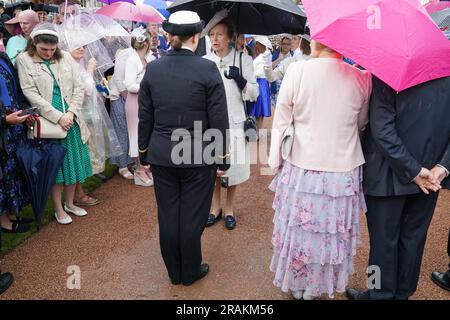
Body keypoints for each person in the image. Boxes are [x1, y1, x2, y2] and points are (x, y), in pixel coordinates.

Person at [268, 40, 372, 300]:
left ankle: (298, 283)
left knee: (300, 228)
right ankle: (317, 286)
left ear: (316, 41)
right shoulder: (361, 78)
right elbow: (362, 123)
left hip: (303, 165)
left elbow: (281, 121)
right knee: (331, 230)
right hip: (342, 169)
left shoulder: (298, 71)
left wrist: (274, 160)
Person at [138, 10, 230, 286]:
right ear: (197, 36)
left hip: (163, 153)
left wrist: (144, 153)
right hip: (198, 154)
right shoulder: (207, 68)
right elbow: (219, 118)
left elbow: (146, 117)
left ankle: (174, 272)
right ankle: (188, 271)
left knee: (168, 214)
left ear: (170, 36)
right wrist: (222, 158)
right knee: (191, 215)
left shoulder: (153, 68)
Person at [346, 75, 450, 300]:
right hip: (431, 176)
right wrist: (442, 167)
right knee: (413, 241)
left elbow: (382, 129)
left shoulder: (388, 72)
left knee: (381, 244)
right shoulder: (445, 71)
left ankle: (376, 293)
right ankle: (402, 294)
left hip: (387, 175)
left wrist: (414, 170)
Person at [16, 23, 93, 225]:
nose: (49, 53)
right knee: (56, 167)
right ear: (34, 43)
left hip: (72, 119)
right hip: (50, 122)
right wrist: (58, 116)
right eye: (44, 49)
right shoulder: (23, 60)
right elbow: (30, 94)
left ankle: (70, 203)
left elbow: (78, 87)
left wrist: (71, 112)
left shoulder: (66, 57)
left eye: (52, 49)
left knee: (72, 163)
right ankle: (58, 208)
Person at [204, 18, 259, 230]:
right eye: (211, 35)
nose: (215, 39)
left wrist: (242, 81)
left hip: (235, 121)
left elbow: (254, 93)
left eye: (219, 34)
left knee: (233, 166)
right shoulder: (205, 60)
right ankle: (214, 207)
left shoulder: (243, 59)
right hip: (210, 122)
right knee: (213, 167)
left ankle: (229, 208)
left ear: (230, 37)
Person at [69, 45, 122, 206]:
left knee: (87, 152)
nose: (82, 49)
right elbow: (86, 90)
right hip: (78, 115)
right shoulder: (69, 65)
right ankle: (77, 194)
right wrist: (90, 72)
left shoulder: (80, 63)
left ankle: (79, 191)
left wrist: (97, 80)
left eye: (83, 46)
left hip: (89, 113)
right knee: (81, 153)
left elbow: (91, 88)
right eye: (77, 46)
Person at [0, 51, 33, 234]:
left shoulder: (3, 58)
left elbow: (16, 89)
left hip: (15, 126)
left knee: (13, 173)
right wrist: (4, 120)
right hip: (3, 129)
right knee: (3, 176)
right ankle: (4, 221)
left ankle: (12, 214)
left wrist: (25, 110)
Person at [124, 30, 155, 187]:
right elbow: (129, 85)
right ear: (147, 43)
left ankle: (146, 166)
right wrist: (148, 87)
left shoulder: (150, 58)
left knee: (147, 132)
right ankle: (139, 170)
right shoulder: (131, 60)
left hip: (148, 102)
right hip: (135, 102)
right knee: (136, 134)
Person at [109, 46, 134, 180]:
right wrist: (127, 97)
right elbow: (118, 80)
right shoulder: (124, 54)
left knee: (133, 131)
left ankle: (131, 161)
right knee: (122, 130)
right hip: (119, 96)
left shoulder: (143, 55)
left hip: (134, 95)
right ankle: (122, 165)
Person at [248, 36, 272, 133]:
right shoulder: (260, 56)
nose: (255, 46)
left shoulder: (264, 56)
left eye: (257, 44)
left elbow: (257, 71)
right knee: (258, 110)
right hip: (260, 83)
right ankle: (257, 130)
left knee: (259, 110)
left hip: (260, 83)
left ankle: (258, 131)